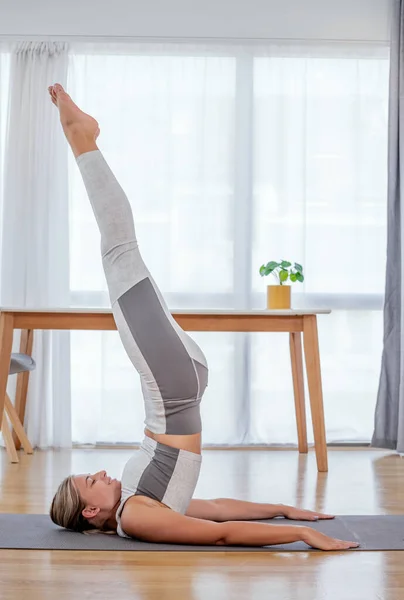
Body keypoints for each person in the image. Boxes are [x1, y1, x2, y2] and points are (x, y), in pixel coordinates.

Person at [48, 83, 359, 552]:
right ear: (92, 511)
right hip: (171, 390)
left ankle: (83, 138)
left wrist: (283, 508)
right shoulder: (135, 518)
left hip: (177, 390)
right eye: (93, 479)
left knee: (122, 256)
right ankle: (82, 140)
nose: (102, 471)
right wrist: (299, 533)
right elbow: (219, 534)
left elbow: (212, 507)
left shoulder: (140, 501)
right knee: (119, 252)